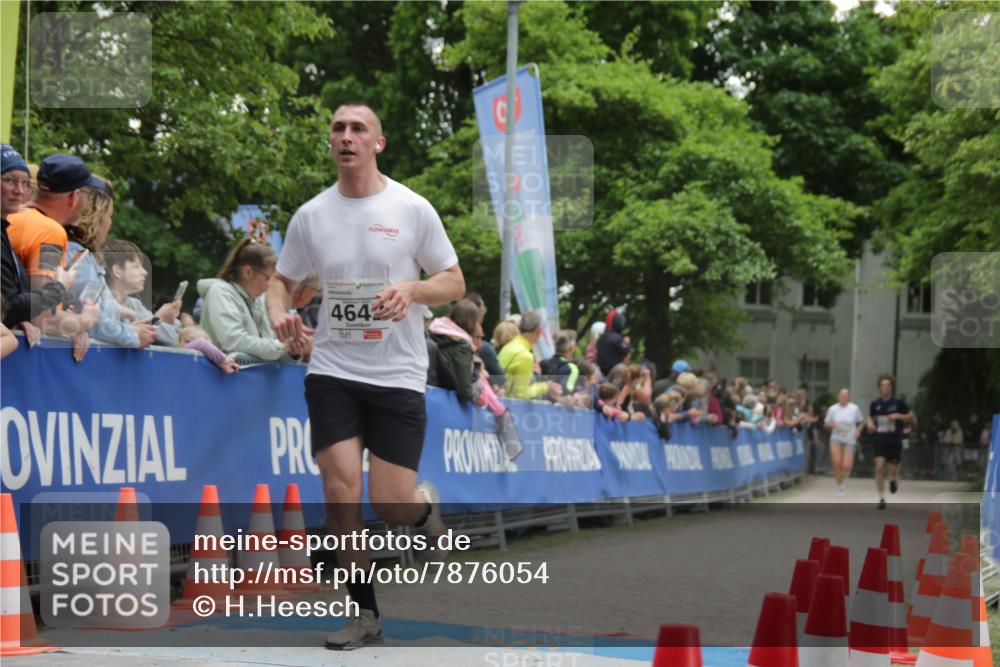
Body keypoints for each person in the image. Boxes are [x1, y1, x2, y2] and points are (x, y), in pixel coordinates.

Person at [265, 102, 465, 650]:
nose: (346, 137)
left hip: (398, 371)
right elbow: (280, 282)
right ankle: (364, 615)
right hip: (332, 369)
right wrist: (278, 312)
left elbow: (454, 281)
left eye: (358, 129)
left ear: (379, 143)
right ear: (331, 142)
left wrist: (412, 289)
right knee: (339, 492)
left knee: (391, 501)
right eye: (338, 128)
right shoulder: (311, 215)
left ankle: (423, 509)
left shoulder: (411, 208)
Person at [6, 154, 102, 361]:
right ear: (74, 196)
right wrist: (84, 321)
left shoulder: (11, 216)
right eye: (87, 195)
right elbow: (41, 316)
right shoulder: (49, 232)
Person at [1, 145, 71, 340]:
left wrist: (15, 320)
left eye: (25, 183)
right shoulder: (50, 231)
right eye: (9, 180)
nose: (19, 190)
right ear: (74, 197)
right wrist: (58, 288)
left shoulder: (5, 229)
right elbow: (12, 306)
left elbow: (7, 303)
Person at [200, 238, 309, 362]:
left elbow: (272, 346)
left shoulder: (260, 300)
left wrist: (294, 349)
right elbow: (232, 341)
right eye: (267, 279)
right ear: (248, 272)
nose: (269, 286)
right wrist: (283, 347)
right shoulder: (220, 291)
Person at [102, 239, 181, 346]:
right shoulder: (98, 301)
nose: (145, 272)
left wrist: (155, 320)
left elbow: (171, 339)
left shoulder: (135, 305)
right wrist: (153, 321)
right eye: (136, 267)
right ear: (117, 271)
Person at [865, 373, 914, 509]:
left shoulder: (899, 402)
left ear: (892, 388)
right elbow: (870, 417)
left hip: (894, 440)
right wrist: (870, 423)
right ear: (879, 388)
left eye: (888, 385)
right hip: (880, 439)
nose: (885, 387)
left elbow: (910, 416)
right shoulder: (875, 404)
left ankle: (892, 479)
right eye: (883, 385)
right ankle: (881, 498)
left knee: (892, 470)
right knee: (879, 467)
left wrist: (898, 415)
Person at [498, 310, 563, 401]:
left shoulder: (509, 346)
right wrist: (546, 386)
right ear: (537, 331)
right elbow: (521, 394)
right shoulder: (525, 355)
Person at [824, 388, 864, 497]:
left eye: (846, 395)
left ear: (849, 397)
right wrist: (831, 425)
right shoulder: (833, 409)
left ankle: (842, 476)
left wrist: (858, 430)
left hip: (850, 439)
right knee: (836, 462)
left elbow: (861, 422)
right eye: (841, 395)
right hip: (836, 438)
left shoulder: (854, 408)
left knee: (846, 466)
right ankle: (839, 486)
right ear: (838, 397)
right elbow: (826, 423)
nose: (843, 397)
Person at [596, 308, 630, 376]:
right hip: (613, 372)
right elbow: (626, 350)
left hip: (601, 371)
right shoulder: (617, 338)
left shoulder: (602, 337)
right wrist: (627, 343)